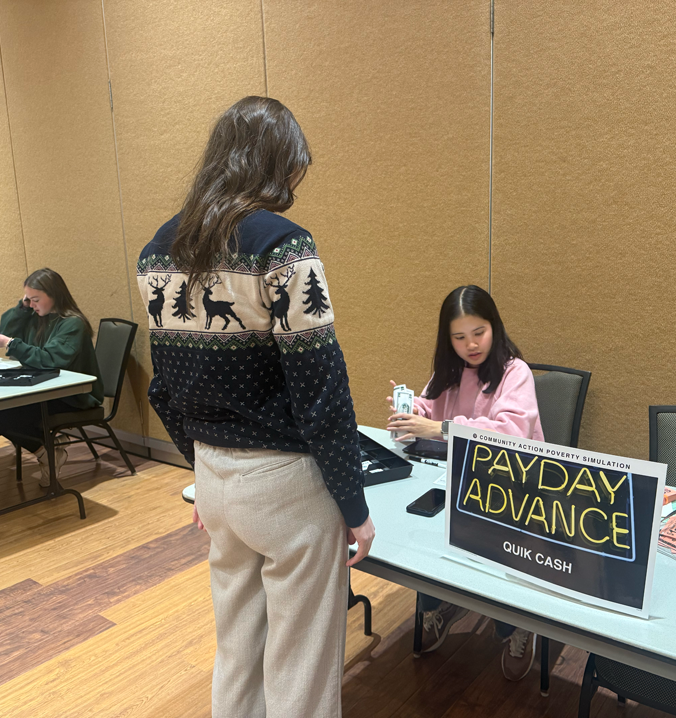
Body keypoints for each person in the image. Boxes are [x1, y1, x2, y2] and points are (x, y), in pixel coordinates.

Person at [139, 96, 374, 718]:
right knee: (302, 663)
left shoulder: (158, 250)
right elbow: (321, 391)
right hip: (287, 484)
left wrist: (202, 469)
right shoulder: (284, 245)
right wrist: (353, 503)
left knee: (238, 648)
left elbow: (164, 387)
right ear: (277, 163)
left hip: (214, 477)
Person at [386, 284, 544, 682]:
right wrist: (412, 412)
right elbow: (430, 410)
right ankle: (438, 603)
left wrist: (439, 427)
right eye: (459, 337)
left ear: (494, 327)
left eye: (479, 332)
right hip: (458, 477)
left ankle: (517, 624)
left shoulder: (515, 372)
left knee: (503, 552)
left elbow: (510, 434)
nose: (470, 345)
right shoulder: (450, 371)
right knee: (422, 534)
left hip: (513, 483)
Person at [0, 269, 104, 487]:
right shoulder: (37, 317)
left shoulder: (72, 323)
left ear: (54, 295)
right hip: (43, 388)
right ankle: (48, 450)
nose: (32, 305)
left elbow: (50, 360)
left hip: (72, 396)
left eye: (36, 300)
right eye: (28, 299)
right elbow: (7, 330)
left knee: (2, 414)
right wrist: (22, 308)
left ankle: (47, 452)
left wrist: (10, 343)